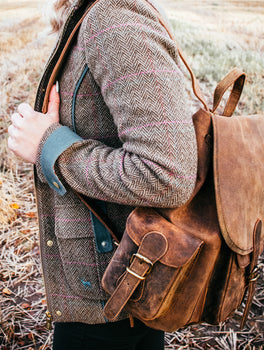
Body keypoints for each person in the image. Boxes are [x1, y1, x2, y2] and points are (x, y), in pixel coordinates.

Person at [8, 0, 197, 348]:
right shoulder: (96, 12)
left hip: (109, 292)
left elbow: (168, 173)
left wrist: (49, 146)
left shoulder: (113, 15)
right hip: (114, 284)